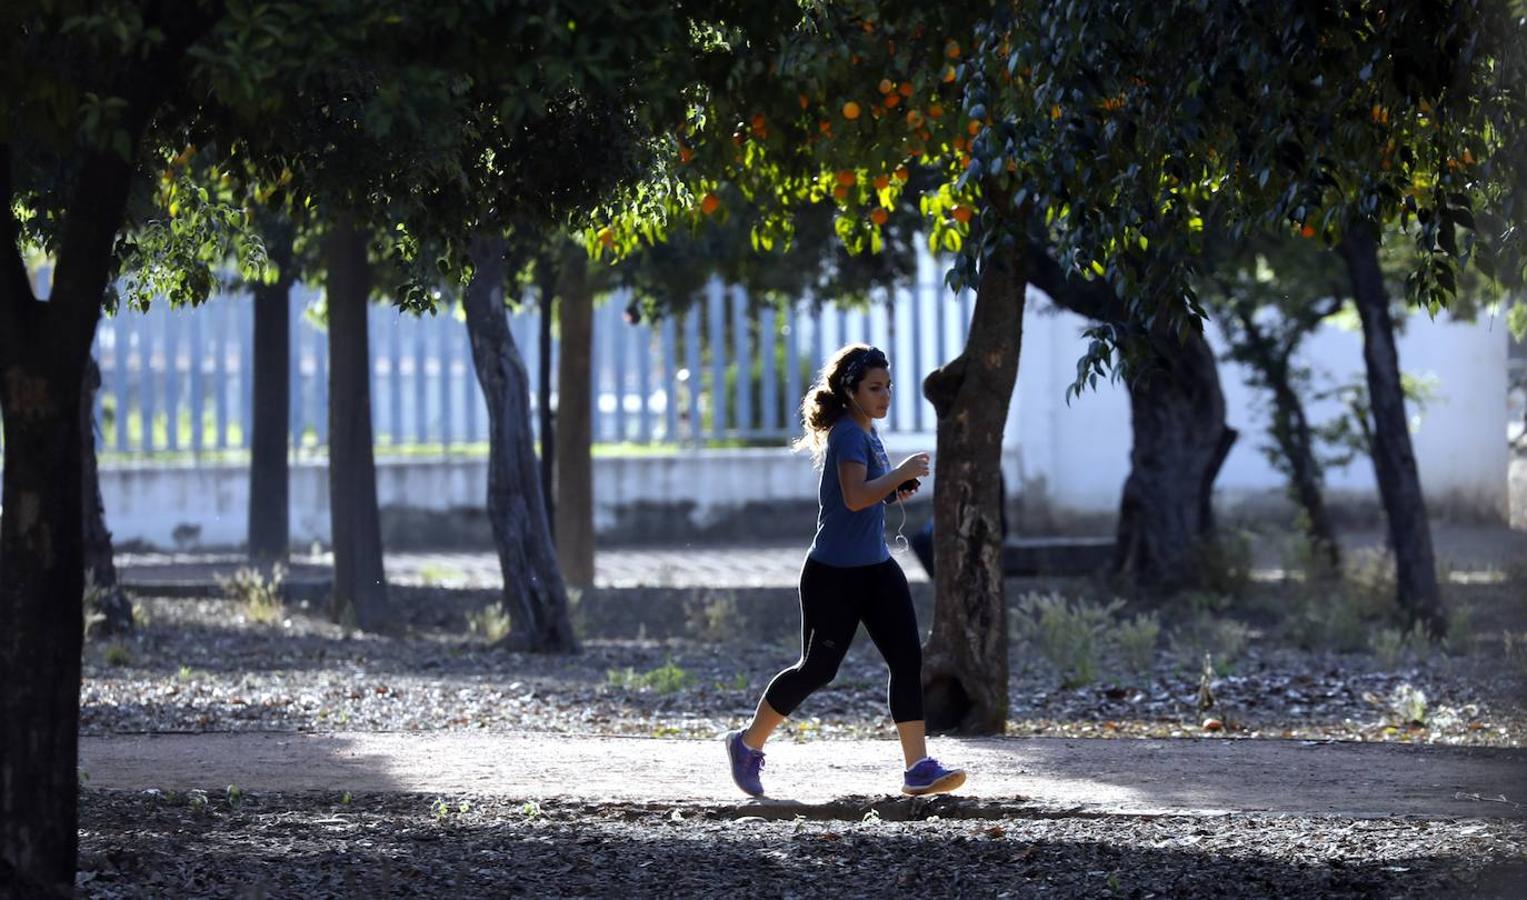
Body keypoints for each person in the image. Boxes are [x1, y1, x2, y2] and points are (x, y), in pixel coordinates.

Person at [723, 344, 967, 798]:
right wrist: (899, 474)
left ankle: (917, 767)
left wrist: (894, 489)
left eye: (888, 387)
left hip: (875, 567)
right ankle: (746, 743)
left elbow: (862, 498)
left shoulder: (866, 430)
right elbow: (855, 497)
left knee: (906, 660)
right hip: (833, 575)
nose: (885, 396)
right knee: (817, 668)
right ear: (850, 390)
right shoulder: (848, 435)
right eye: (875, 388)